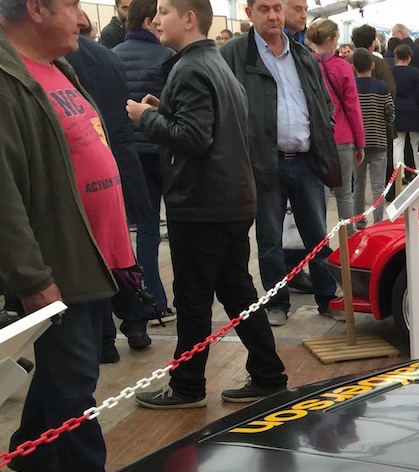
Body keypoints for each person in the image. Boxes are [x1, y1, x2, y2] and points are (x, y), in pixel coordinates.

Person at [1, 0, 135, 472]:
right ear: (36, 8)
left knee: (67, 370)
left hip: (93, 255)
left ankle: (33, 449)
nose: (83, 19)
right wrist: (32, 278)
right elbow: (4, 196)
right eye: (73, 5)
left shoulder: (58, 67)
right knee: (75, 381)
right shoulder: (7, 81)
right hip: (59, 263)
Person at [128, 0, 286, 408]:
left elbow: (195, 138)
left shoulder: (191, 68)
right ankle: (269, 375)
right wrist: (165, 111)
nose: (156, 19)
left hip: (201, 204)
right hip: (228, 199)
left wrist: (146, 118)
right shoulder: (213, 64)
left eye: (164, 11)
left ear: (188, 19)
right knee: (237, 293)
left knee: (193, 299)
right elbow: (209, 127)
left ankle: (187, 386)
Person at [220, 0, 342, 324]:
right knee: (270, 240)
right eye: (264, 9)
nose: (273, 15)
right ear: (250, 14)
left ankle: (328, 298)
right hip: (263, 164)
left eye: (277, 7)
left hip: (305, 161)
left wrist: (323, 130)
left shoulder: (302, 55)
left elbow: (324, 103)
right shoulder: (234, 54)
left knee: (317, 235)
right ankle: (277, 303)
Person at [66, 27, 155, 359]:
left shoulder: (57, 63)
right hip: (116, 161)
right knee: (118, 250)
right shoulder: (107, 57)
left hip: (83, 169)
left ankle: (106, 340)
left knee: (94, 256)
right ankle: (136, 323)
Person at [112, 0, 175, 323]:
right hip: (166, 151)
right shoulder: (168, 57)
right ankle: (187, 297)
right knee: (179, 228)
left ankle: (153, 301)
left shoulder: (111, 57)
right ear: (150, 22)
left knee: (146, 232)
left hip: (131, 157)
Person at [306, 17, 363, 224]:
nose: (338, 42)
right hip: (343, 137)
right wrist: (360, 144)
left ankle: (320, 238)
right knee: (344, 193)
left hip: (315, 138)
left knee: (318, 195)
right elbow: (352, 107)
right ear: (329, 39)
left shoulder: (306, 64)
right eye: (337, 38)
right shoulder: (342, 67)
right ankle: (348, 237)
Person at [353, 47, 392, 226]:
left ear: (353, 67)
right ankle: (378, 223)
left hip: (357, 143)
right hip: (379, 140)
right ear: (372, 65)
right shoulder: (381, 87)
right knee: (378, 186)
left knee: (358, 185)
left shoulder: (352, 86)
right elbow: (390, 114)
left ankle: (359, 221)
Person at [388, 43, 419, 181]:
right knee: (416, 143)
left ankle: (399, 176)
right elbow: (418, 93)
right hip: (412, 110)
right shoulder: (414, 71)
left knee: (397, 144)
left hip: (397, 110)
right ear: (409, 57)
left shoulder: (390, 71)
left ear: (396, 57)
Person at [389, 21, 419, 87]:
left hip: (401, 88)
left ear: (401, 34)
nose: (392, 37)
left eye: (394, 34)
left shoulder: (399, 49)